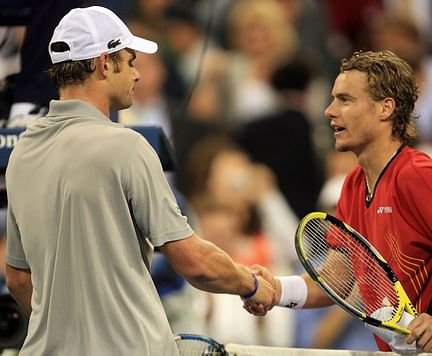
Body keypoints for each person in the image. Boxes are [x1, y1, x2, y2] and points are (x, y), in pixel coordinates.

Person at [4, 6, 273, 356]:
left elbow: (18, 279)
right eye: (130, 61)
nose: (137, 74)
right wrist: (251, 285)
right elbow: (193, 261)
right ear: (103, 64)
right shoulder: (128, 147)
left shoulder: (21, 154)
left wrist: (55, 327)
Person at [247, 50, 432, 354]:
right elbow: (337, 280)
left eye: (345, 100)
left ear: (385, 108)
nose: (329, 110)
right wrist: (276, 290)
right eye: (332, 99)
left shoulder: (417, 175)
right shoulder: (353, 186)